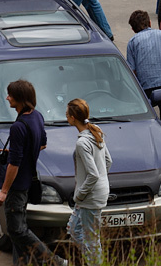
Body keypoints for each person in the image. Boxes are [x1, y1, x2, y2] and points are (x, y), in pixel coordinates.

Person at [0, 80, 65, 266]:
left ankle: (53, 261)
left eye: (10, 95)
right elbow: (42, 143)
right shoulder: (37, 117)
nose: (7, 98)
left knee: (17, 230)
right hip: (29, 181)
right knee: (20, 230)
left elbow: (14, 165)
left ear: (21, 99)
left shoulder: (18, 126)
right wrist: (18, 152)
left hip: (16, 185)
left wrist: (4, 191)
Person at [66, 98, 112, 266]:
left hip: (89, 197)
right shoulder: (96, 131)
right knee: (74, 230)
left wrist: (80, 195)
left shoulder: (82, 143)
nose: (66, 117)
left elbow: (93, 174)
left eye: (67, 114)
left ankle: (94, 262)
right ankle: (90, 260)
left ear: (72, 118)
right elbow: (108, 162)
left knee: (92, 241)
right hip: (94, 193)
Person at [125, 10, 161, 137]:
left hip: (146, 88)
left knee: (145, 122)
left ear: (133, 29)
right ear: (150, 22)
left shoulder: (133, 42)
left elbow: (132, 70)